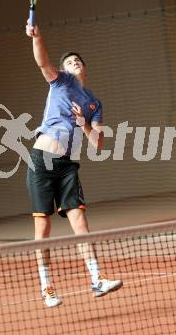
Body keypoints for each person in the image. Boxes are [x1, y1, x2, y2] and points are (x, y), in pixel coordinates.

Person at [26, 21, 123, 308]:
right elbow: (42, 61)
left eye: (77, 60)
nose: (74, 63)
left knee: (80, 221)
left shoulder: (94, 103)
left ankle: (96, 280)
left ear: (84, 66)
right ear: (65, 69)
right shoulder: (61, 81)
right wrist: (37, 37)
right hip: (42, 160)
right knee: (42, 229)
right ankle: (47, 287)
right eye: (69, 61)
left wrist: (83, 124)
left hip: (68, 164)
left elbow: (98, 143)